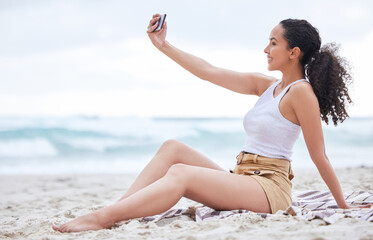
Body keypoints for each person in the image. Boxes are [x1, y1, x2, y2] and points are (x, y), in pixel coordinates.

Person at [52, 14, 372, 233]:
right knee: (172, 149)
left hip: (269, 189)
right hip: (244, 178)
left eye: (274, 42)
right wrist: (163, 45)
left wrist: (342, 205)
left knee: (181, 174)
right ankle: (118, 210)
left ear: (294, 52)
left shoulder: (301, 93)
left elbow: (320, 156)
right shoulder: (267, 86)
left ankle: (101, 218)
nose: (266, 48)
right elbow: (207, 71)